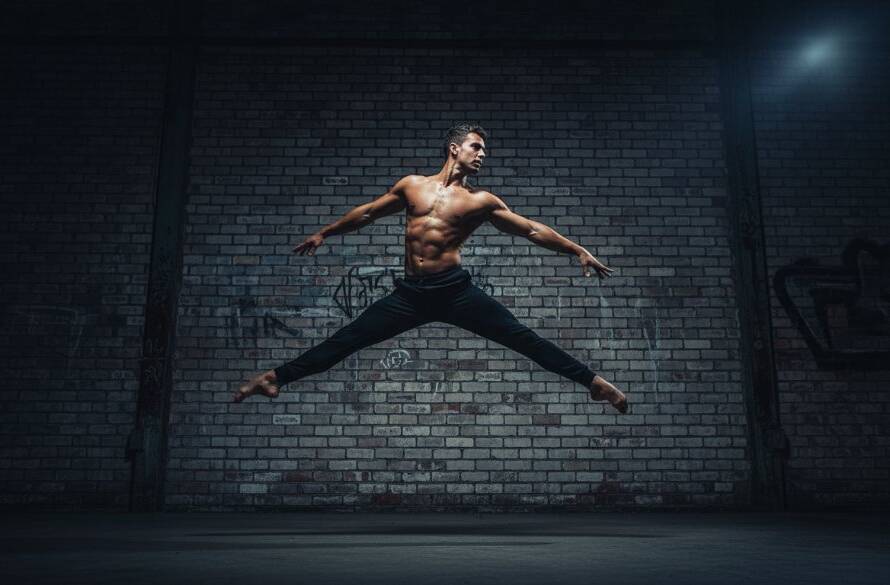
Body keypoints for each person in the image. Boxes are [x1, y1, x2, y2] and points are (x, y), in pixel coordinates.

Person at [234, 122, 628, 413]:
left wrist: (576, 250)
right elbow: (368, 213)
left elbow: (531, 229)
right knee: (347, 340)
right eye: (476, 147)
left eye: (484, 149)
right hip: (411, 295)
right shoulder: (412, 186)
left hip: (456, 292)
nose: (482, 154)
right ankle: (273, 378)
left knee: (524, 339)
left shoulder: (480, 201)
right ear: (454, 148)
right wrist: (325, 233)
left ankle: (593, 384)